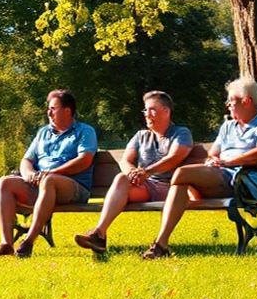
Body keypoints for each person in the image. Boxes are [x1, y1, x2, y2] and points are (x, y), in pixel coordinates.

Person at [141, 76, 257, 259]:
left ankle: (161, 244)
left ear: (247, 101)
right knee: (180, 182)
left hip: (245, 183)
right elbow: (213, 153)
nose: (228, 105)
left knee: (181, 174)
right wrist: (212, 161)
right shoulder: (228, 126)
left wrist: (228, 162)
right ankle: (161, 245)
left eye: (231, 100)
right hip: (222, 176)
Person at [74, 91, 193, 254]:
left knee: (134, 179)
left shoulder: (181, 133)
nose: (147, 115)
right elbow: (126, 160)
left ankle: (160, 245)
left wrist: (147, 172)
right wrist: (132, 173)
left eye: (152, 110)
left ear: (166, 111)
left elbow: (175, 157)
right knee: (121, 178)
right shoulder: (141, 136)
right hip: (146, 186)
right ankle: (99, 235)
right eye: (145, 110)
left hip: (172, 188)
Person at [0, 89, 97, 258]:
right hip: (42, 185)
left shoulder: (85, 131)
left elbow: (85, 160)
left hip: (74, 187)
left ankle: (28, 241)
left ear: (68, 110)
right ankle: (6, 244)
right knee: (5, 182)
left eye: (53, 108)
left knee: (49, 180)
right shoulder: (43, 133)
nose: (49, 112)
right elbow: (27, 160)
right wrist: (29, 174)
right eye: (49, 108)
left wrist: (51, 173)